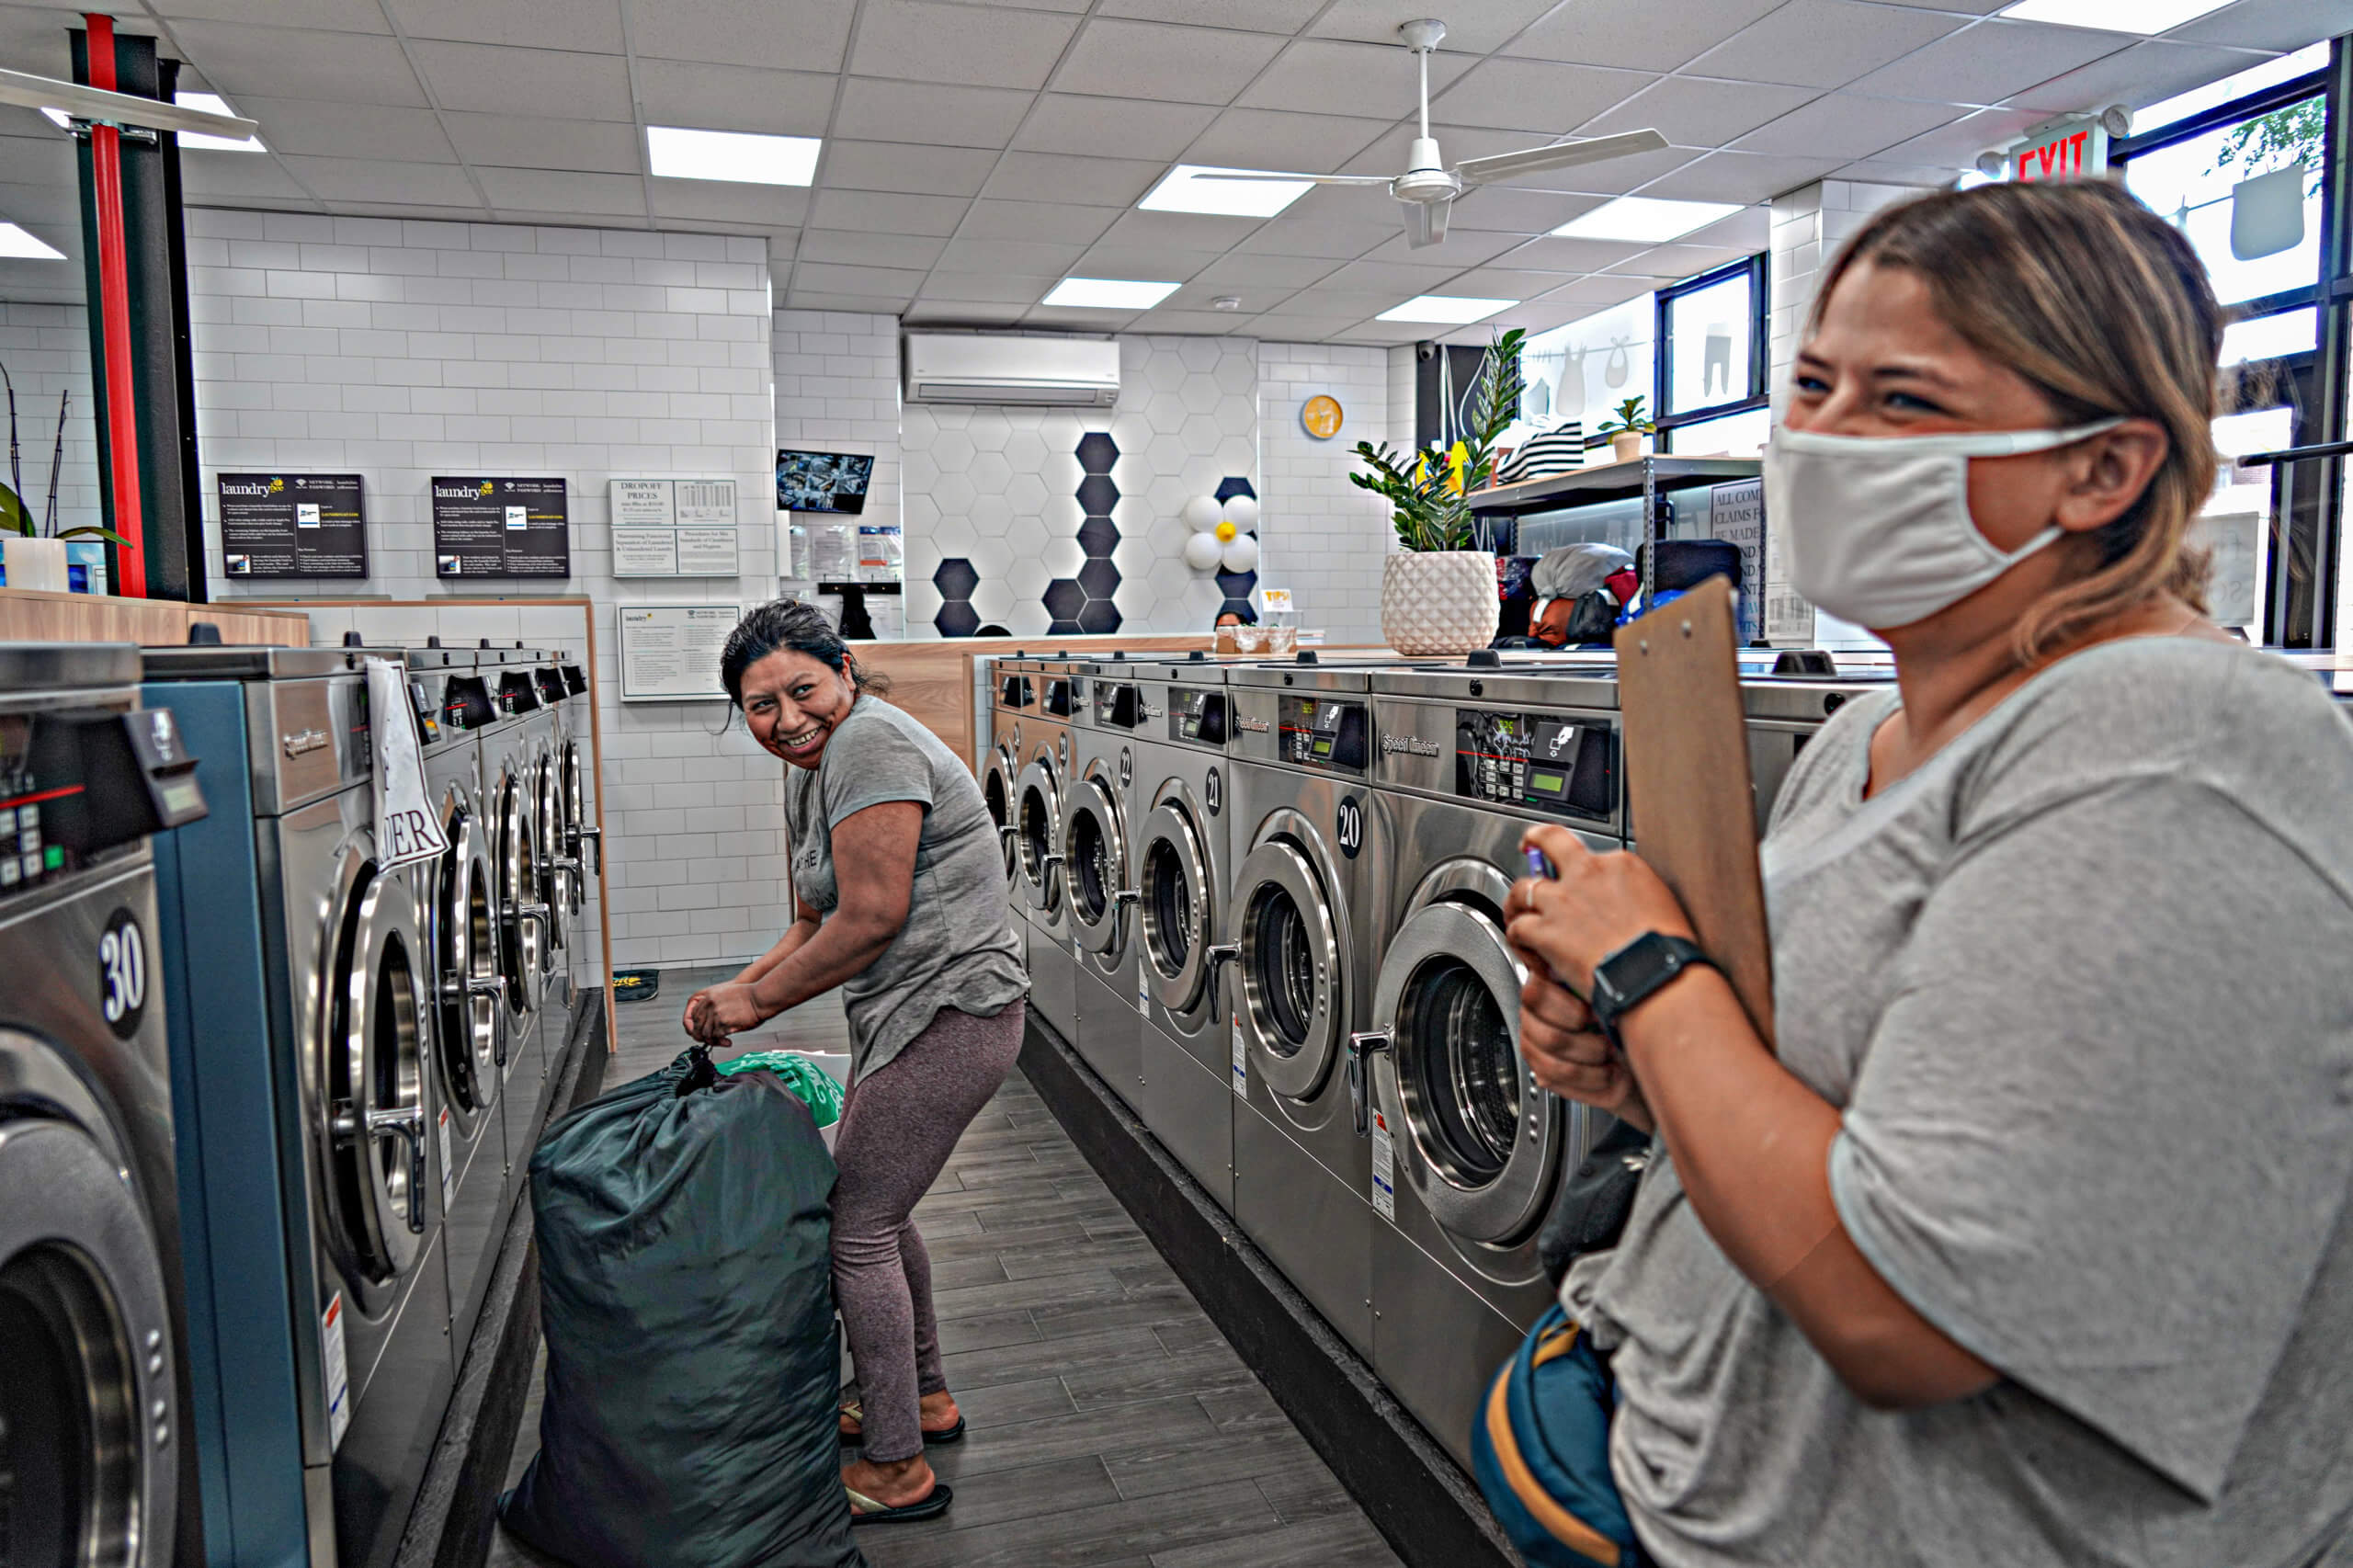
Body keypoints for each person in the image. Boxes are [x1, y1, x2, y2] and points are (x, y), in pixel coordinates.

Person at [1500, 178, 2353, 1565]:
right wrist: (1634, 1064)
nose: (1823, 440)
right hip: (1680, 1481)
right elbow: (1848, 1105)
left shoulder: (2181, 749)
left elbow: (1911, 1313)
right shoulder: (1861, 743)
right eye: (1817, 385)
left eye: (1903, 403)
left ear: (2104, 467)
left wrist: (1649, 973)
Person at [682, 598, 1029, 1527]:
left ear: (843, 668)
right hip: (909, 1015)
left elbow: (871, 917)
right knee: (880, 1208)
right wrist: (735, 989)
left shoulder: (870, 744)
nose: (786, 717)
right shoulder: (814, 765)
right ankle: (918, 1397)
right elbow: (812, 919)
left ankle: (896, 1464)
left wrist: (755, 1003)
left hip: (953, 1013)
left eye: (802, 689)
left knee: (856, 1225)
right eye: (760, 706)